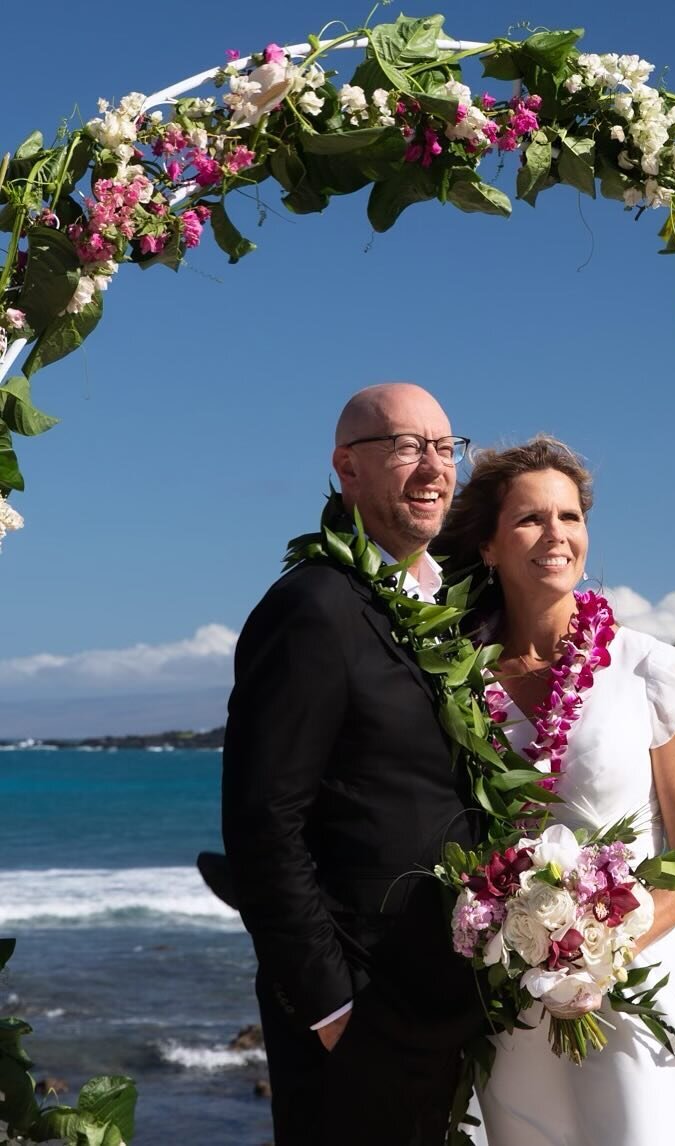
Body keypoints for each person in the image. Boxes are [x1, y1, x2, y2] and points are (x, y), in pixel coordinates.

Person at [436, 436, 675, 1145]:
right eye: (531, 519)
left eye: (570, 517)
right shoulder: (458, 683)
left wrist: (603, 955)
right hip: (515, 998)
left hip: (640, 980)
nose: (556, 535)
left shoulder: (651, 671)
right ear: (488, 545)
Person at [220, 382, 484, 1145]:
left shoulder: (450, 613)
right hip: (360, 1013)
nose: (434, 467)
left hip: (443, 995)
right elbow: (264, 823)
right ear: (348, 468)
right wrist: (333, 1007)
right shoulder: (312, 608)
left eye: (446, 447)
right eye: (407, 446)